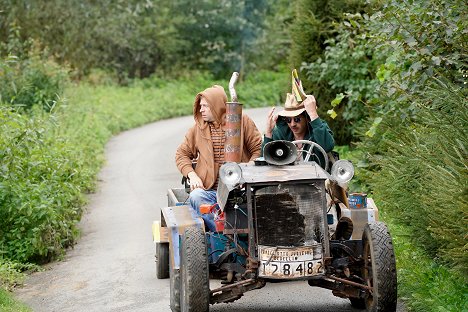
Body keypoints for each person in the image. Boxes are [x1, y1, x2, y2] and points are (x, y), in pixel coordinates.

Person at [175, 85, 262, 231]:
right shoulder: (197, 129)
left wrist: (247, 171)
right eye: (200, 106)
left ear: (216, 106)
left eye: (205, 106)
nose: (201, 110)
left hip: (241, 190)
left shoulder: (242, 121)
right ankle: (222, 232)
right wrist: (193, 175)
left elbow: (258, 150)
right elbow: (181, 154)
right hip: (211, 193)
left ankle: (251, 234)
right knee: (196, 196)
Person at [263, 93, 335, 168]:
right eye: (288, 119)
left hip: (316, 178)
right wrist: (269, 132)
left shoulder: (319, 128)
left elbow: (327, 147)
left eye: (297, 119)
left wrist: (313, 114)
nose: (292, 124)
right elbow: (265, 162)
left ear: (307, 118)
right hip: (288, 178)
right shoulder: (280, 134)